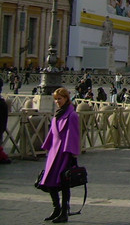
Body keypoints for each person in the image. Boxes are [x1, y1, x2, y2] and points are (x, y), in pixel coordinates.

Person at [39, 87, 81, 222]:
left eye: (60, 99)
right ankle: (56, 208)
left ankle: (64, 212)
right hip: (53, 153)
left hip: (64, 153)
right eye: (56, 99)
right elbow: (52, 132)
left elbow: (74, 136)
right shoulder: (58, 114)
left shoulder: (72, 115)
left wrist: (72, 156)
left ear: (66, 99)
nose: (57, 101)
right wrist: (47, 146)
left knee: (63, 184)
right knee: (49, 181)